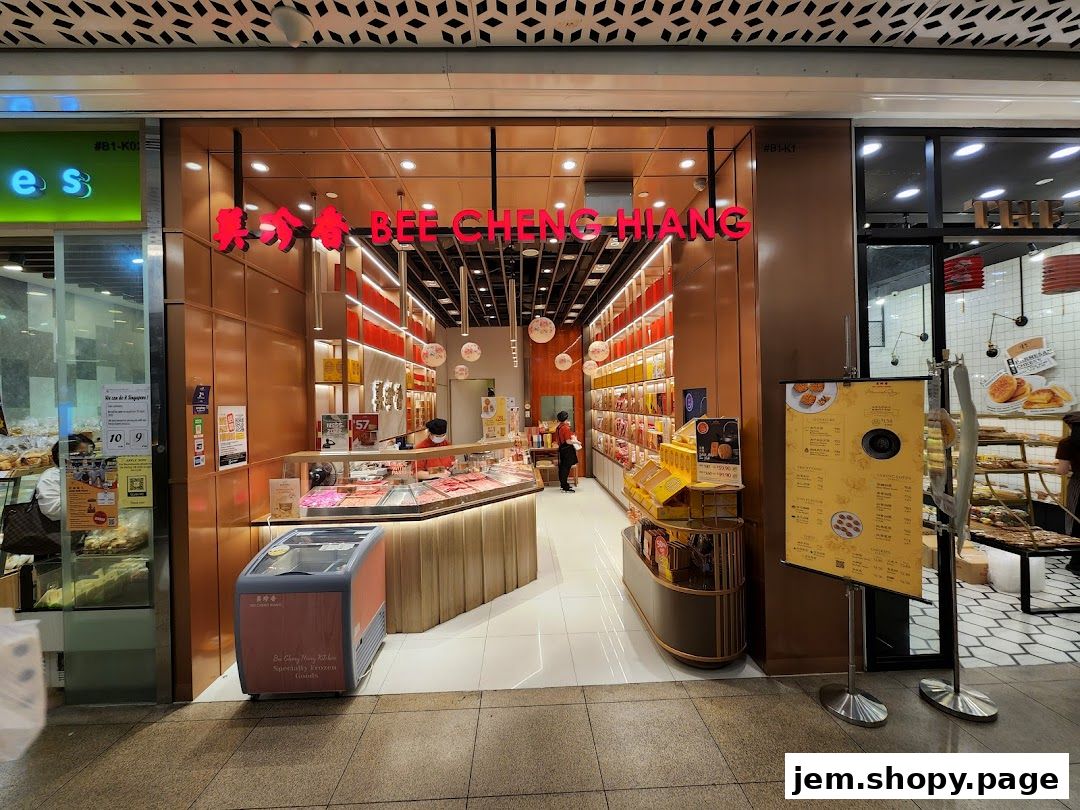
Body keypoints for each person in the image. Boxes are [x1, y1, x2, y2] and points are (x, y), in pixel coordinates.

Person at [34, 434, 92, 522]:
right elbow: (52, 510)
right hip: (61, 528)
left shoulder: (87, 473)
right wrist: (89, 497)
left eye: (90, 455)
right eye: (81, 455)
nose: (87, 459)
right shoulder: (50, 477)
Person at [1054, 412, 1080, 573]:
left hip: (1078, 484)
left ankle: (1077, 563)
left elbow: (1062, 470)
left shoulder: (1067, 443)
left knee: (1076, 520)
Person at [555, 410, 577, 493]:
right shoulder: (566, 428)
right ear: (566, 418)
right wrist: (576, 442)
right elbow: (568, 441)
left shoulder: (558, 427)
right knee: (566, 468)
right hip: (567, 449)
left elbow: (558, 440)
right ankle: (565, 486)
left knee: (562, 467)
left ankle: (563, 484)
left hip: (561, 448)